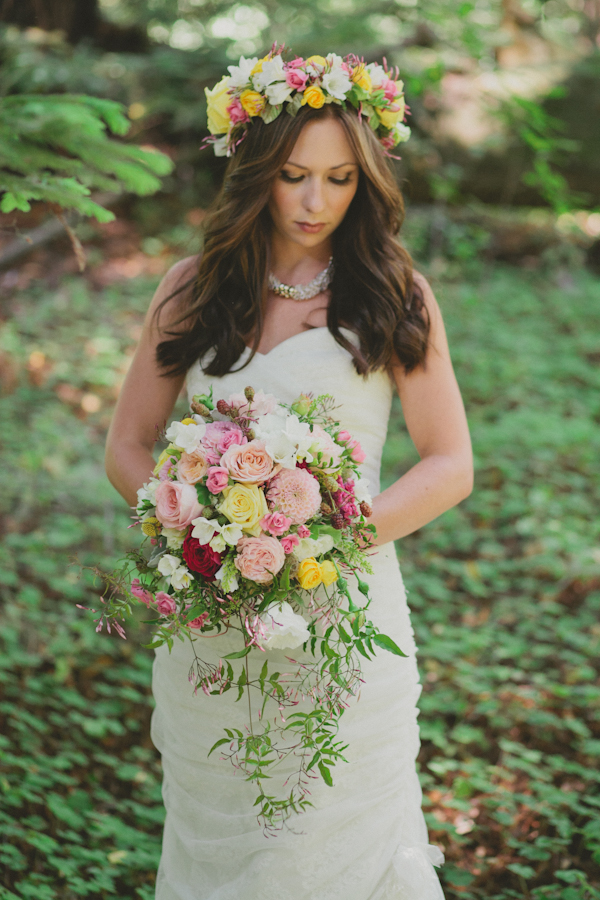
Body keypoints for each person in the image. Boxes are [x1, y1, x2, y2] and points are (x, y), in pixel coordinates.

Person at [105, 50, 473, 900]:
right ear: (255, 172)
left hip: (343, 615)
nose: (316, 202)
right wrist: (192, 529)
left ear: (366, 178)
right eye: (295, 176)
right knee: (223, 841)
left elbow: (450, 463)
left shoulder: (391, 295)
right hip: (212, 623)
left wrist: (325, 543)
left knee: (324, 842)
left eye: (341, 178)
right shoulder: (189, 292)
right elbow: (130, 445)